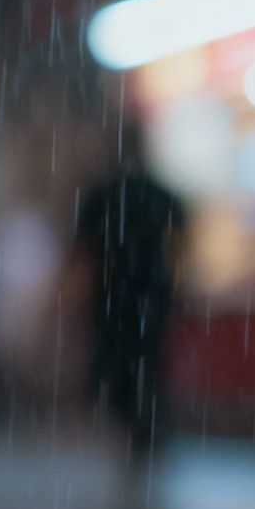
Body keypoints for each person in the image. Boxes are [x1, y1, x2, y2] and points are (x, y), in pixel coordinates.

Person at [74, 122, 187, 482]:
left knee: (116, 363)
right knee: (148, 362)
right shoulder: (160, 194)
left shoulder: (103, 194)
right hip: (151, 296)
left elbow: (84, 252)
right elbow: (181, 240)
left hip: (112, 297)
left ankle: (132, 431)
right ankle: (146, 431)